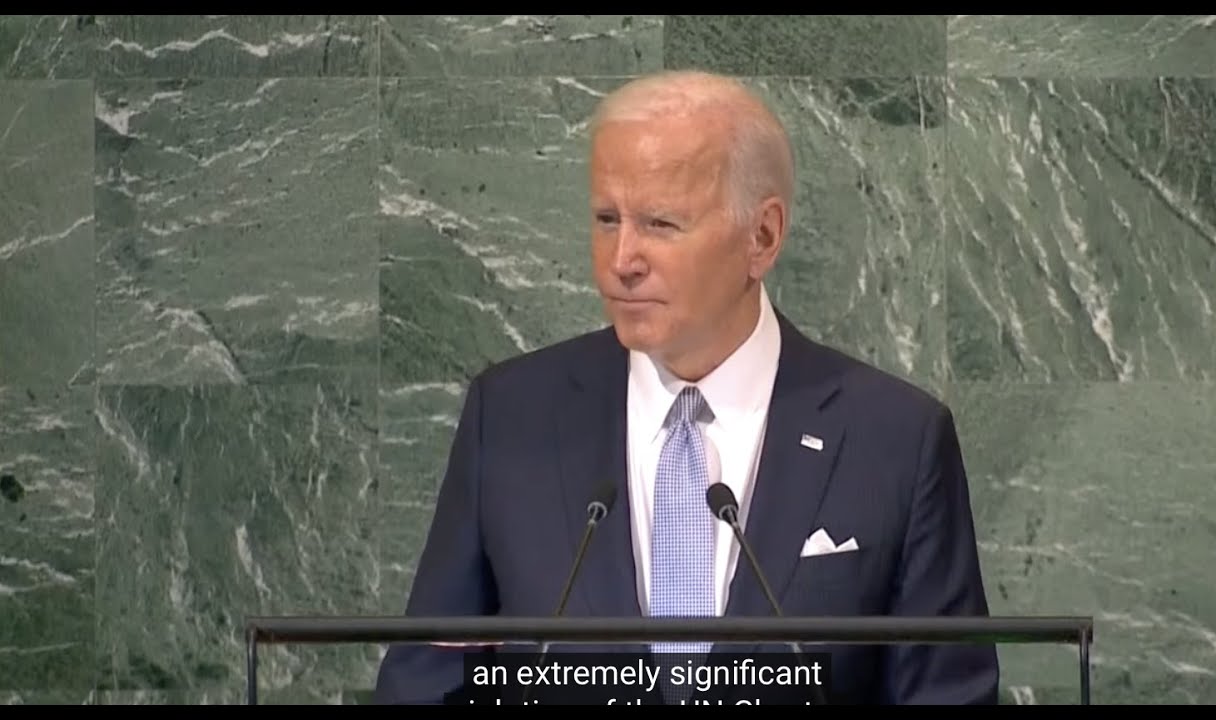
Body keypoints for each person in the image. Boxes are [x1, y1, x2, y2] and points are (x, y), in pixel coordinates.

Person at [373, 69, 999, 705]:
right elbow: (428, 684)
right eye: (606, 218)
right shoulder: (510, 416)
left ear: (763, 237)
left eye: (661, 223)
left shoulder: (896, 438)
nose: (622, 259)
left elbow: (948, 695)